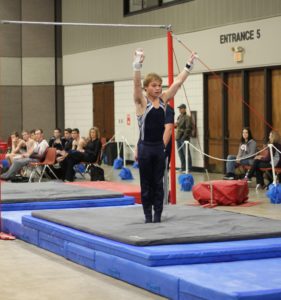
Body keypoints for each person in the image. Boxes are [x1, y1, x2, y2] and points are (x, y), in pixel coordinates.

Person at [133, 48, 196, 223]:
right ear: (146, 88)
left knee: (158, 184)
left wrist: (188, 66)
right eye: (154, 85)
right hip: (145, 148)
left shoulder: (164, 100)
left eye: (160, 85)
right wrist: (137, 65)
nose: (158, 88)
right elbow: (136, 86)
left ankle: (158, 216)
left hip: (159, 148)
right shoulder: (141, 103)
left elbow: (177, 82)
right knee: (146, 185)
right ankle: (147, 216)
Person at [175, 103, 193, 172]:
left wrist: (184, 137)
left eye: (181, 108)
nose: (180, 110)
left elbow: (188, 128)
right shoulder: (179, 116)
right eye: (179, 109)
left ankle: (189, 168)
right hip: (178, 137)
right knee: (180, 153)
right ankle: (183, 167)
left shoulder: (187, 117)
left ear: (184, 109)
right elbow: (178, 125)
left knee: (186, 153)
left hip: (184, 138)